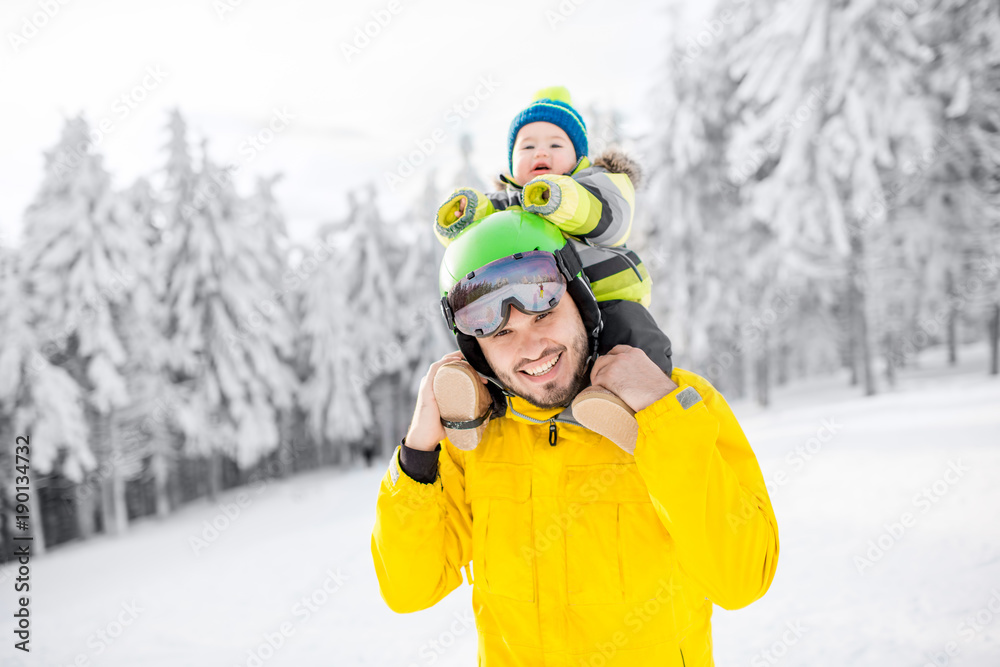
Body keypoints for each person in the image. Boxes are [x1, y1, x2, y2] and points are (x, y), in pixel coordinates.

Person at [371, 210, 780, 667]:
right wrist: (418, 453)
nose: (530, 348)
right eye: (502, 333)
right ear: (475, 351)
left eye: (544, 313)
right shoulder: (475, 442)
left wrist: (660, 409)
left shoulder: (681, 404)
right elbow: (408, 589)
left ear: (581, 301)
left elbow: (743, 578)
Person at [432, 86, 672, 453]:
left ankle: (634, 407)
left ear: (579, 158)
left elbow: (607, 220)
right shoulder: (507, 207)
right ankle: (475, 403)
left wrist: (560, 197)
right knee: (496, 337)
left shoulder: (598, 185)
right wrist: (461, 217)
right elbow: (473, 243)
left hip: (609, 298)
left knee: (631, 344)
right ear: (511, 165)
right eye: (526, 147)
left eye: (555, 145)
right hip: (537, 307)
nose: (540, 152)